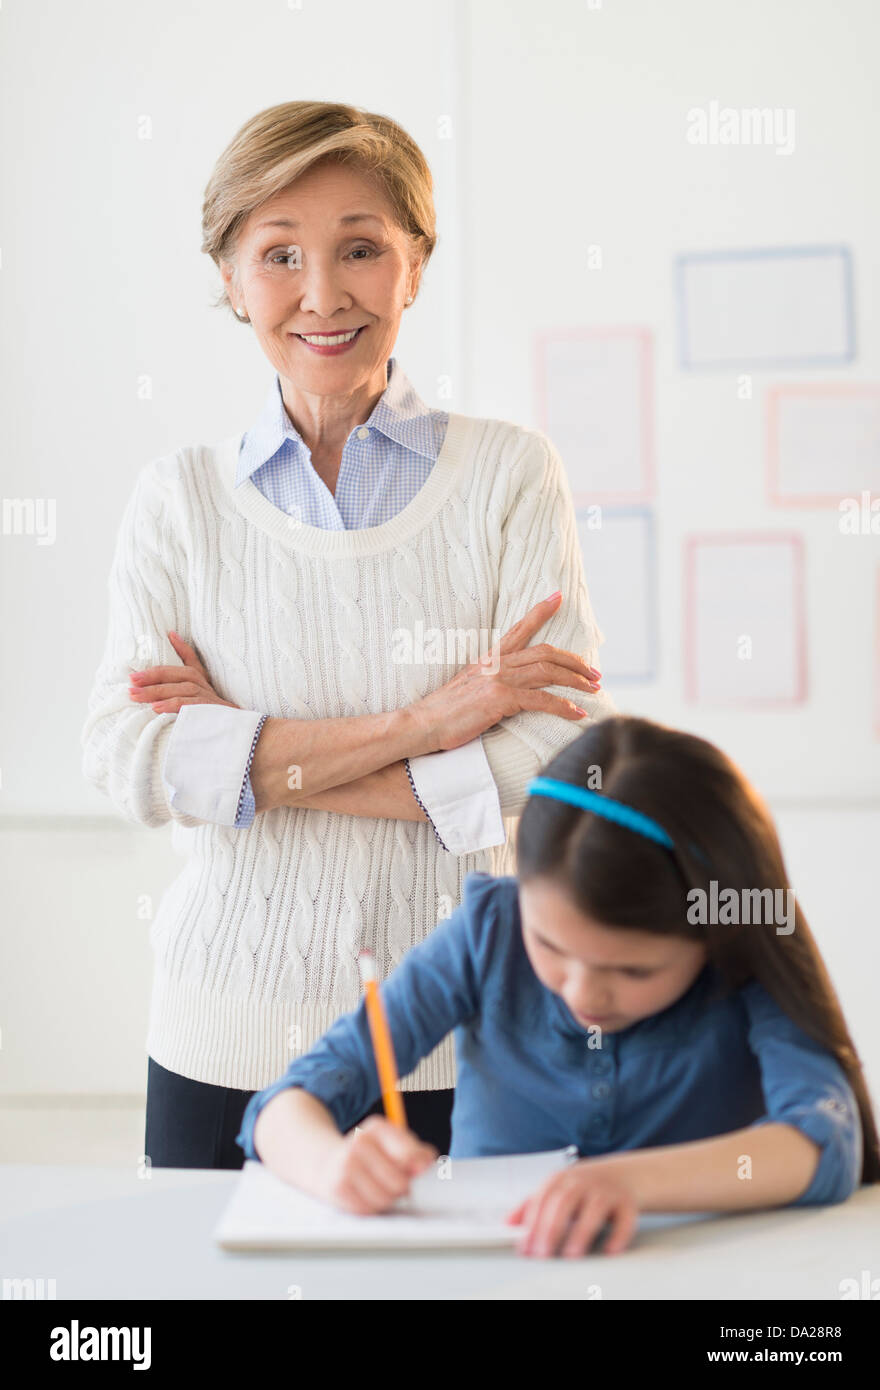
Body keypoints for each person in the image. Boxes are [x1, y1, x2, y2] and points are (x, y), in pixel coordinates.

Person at [80, 100, 613, 1168]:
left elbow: (561, 754)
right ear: (231, 281)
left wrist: (245, 756)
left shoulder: (508, 475)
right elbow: (132, 761)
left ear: (414, 265)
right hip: (224, 1032)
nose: (323, 294)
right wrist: (432, 721)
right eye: (279, 254)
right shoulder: (177, 500)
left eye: (361, 248)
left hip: (467, 1039)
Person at [237, 714, 880, 1257]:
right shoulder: (489, 931)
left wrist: (627, 1184)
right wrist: (331, 1167)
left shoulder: (741, 961)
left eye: (633, 971)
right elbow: (285, 1105)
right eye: (549, 946)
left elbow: (826, 1141)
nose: (582, 994)